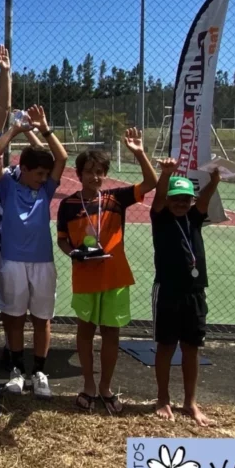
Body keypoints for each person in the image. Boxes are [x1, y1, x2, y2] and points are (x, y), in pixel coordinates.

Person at [56, 129, 158, 414]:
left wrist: (138, 152)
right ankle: (88, 384)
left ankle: (106, 387)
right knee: (86, 331)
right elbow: (62, 240)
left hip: (115, 278)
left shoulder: (116, 199)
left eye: (100, 172)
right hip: (85, 277)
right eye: (89, 171)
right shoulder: (68, 205)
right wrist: (74, 255)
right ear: (78, 174)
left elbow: (151, 182)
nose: (95, 177)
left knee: (111, 333)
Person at [0, 105, 67, 399]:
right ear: (22, 169)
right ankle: (16, 370)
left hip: (43, 263)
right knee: (13, 317)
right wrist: (14, 130)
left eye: (45, 174)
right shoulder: (9, 187)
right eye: (38, 173)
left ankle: (39, 371)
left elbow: (61, 157)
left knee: (41, 319)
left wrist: (45, 128)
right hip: (12, 262)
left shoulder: (46, 190)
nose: (43, 177)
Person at [150, 159, 221, 427]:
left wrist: (213, 182)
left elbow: (203, 199)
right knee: (166, 346)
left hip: (194, 292)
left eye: (186, 200)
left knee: (191, 348)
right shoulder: (160, 216)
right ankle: (162, 398)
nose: (181, 203)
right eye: (176, 199)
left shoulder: (194, 217)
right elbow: (157, 197)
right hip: (167, 291)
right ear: (169, 200)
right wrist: (166, 175)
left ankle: (190, 401)